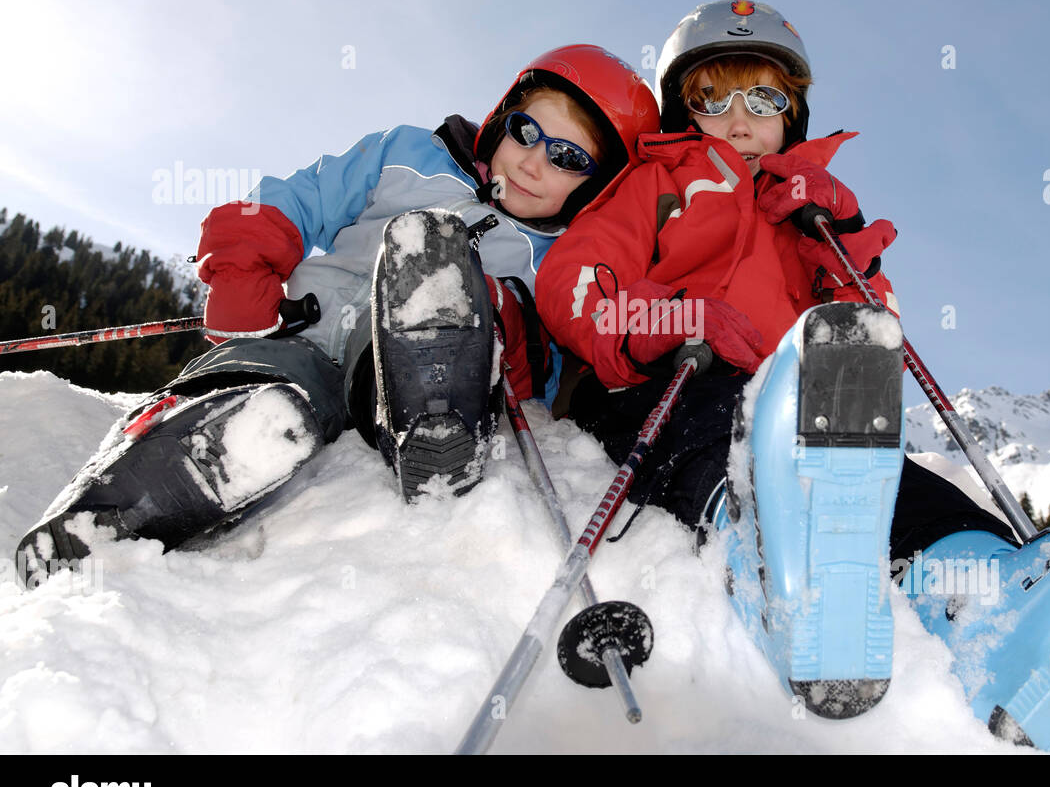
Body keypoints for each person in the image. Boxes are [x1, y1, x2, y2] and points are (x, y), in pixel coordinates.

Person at [536, 0, 1050, 750]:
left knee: (906, 485)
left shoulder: (806, 215)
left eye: (764, 98)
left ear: (795, 115)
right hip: (668, 381)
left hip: (794, 408)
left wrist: (839, 241)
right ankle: (769, 566)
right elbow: (572, 282)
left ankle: (994, 605)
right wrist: (668, 320)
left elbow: (870, 331)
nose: (738, 116)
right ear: (683, 112)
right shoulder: (657, 181)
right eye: (712, 97)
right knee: (721, 427)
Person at [16, 44, 659, 582]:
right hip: (300, 326)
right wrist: (244, 271)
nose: (534, 159)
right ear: (500, 119)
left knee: (436, 266)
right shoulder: (409, 153)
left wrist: (494, 320)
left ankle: (434, 421)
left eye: (569, 158)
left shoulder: (563, 259)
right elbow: (297, 198)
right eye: (527, 130)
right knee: (258, 383)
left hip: (401, 362)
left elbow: (541, 367)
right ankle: (123, 497)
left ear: (596, 186)